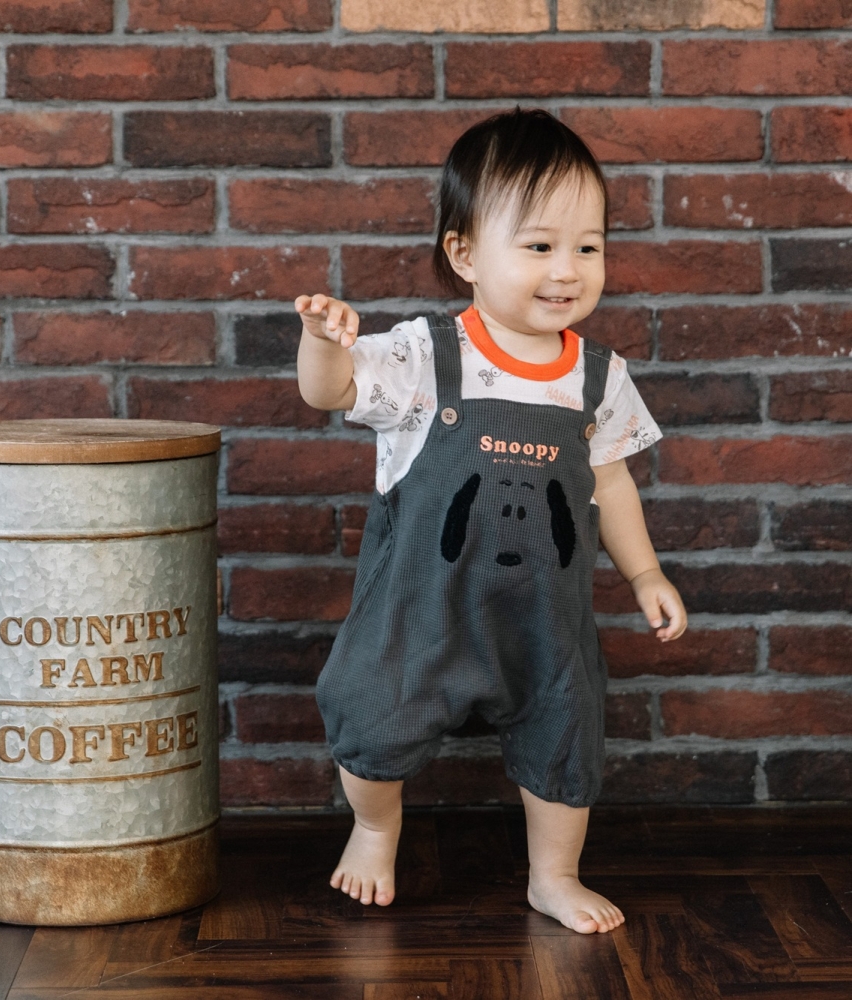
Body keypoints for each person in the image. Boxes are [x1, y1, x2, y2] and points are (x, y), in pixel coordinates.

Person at [293, 106, 687, 935]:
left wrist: (646, 572)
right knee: (372, 708)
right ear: (465, 254)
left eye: (589, 247)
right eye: (539, 246)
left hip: (543, 616)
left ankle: (554, 874)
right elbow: (328, 392)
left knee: (565, 729)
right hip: (421, 608)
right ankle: (374, 830)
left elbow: (610, 484)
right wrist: (325, 343)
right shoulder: (425, 356)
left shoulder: (598, 377)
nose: (567, 269)